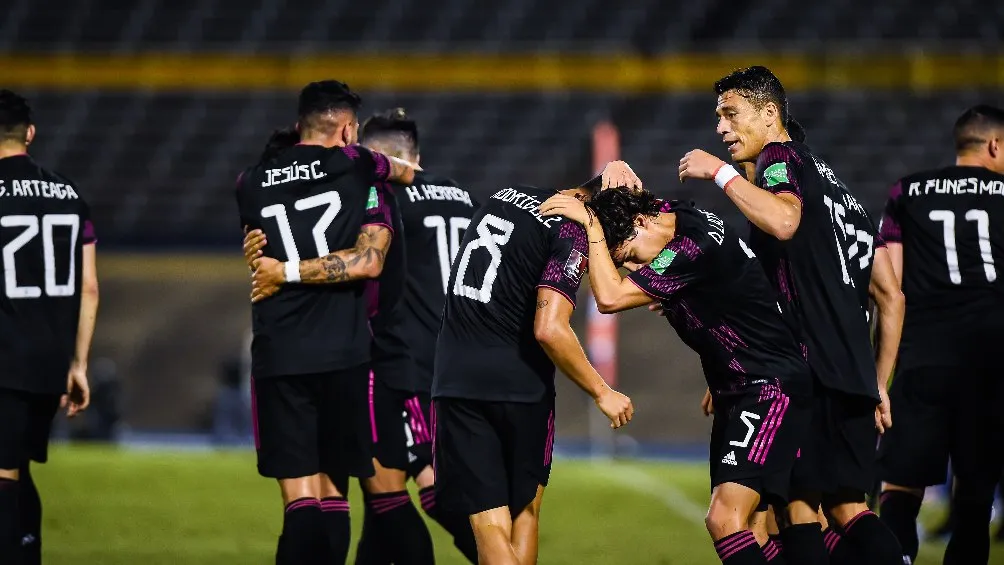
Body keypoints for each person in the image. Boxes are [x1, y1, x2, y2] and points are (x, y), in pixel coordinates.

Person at [678, 66, 906, 565]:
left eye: (730, 114)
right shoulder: (840, 192)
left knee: (795, 510)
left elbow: (783, 220)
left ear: (769, 114)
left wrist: (719, 173)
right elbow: (890, 294)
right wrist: (879, 382)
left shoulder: (779, 159)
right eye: (717, 117)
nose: (721, 127)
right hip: (852, 373)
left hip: (811, 368)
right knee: (848, 509)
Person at [542, 189, 811, 565]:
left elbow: (610, 299)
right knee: (754, 526)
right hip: (738, 385)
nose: (637, 267)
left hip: (768, 388)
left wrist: (590, 224)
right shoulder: (676, 215)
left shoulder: (693, 244)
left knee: (725, 520)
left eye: (633, 257)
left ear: (641, 223)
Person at [234, 80, 417, 565]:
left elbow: (257, 248)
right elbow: (403, 179)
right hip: (345, 353)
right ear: (348, 129)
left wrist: (275, 268)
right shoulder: (359, 166)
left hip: (279, 353)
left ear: (300, 124)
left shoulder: (248, 181)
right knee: (335, 494)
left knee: (300, 503)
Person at [432, 168, 638, 565]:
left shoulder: (504, 194)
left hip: (456, 377)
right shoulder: (573, 228)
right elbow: (549, 329)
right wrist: (602, 391)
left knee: (489, 525)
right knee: (523, 512)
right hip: (518, 382)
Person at [876, 105, 1004, 565]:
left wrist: (879, 379)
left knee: (899, 491)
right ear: (994, 145)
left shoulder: (907, 191)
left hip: (921, 361)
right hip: (990, 365)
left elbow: (888, 287)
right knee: (974, 501)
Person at [360, 108, 481, 563]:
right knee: (379, 501)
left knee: (431, 490)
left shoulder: (385, 198)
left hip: (406, 363)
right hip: (460, 361)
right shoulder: (463, 197)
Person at [0, 89, 98, 565]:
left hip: (4, 359)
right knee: (15, 466)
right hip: (48, 365)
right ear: (30, 134)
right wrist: (78, 364)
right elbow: (90, 287)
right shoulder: (68, 193)